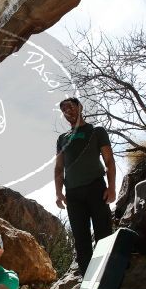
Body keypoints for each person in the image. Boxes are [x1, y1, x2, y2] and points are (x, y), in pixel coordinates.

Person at [54, 97, 116, 275]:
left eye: (71, 107)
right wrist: (58, 192)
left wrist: (111, 187)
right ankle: (87, 280)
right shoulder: (62, 139)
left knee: (103, 233)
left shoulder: (96, 131)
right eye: (64, 109)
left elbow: (109, 161)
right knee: (80, 239)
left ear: (80, 107)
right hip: (73, 194)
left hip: (96, 188)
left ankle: (108, 275)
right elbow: (59, 168)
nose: (68, 111)